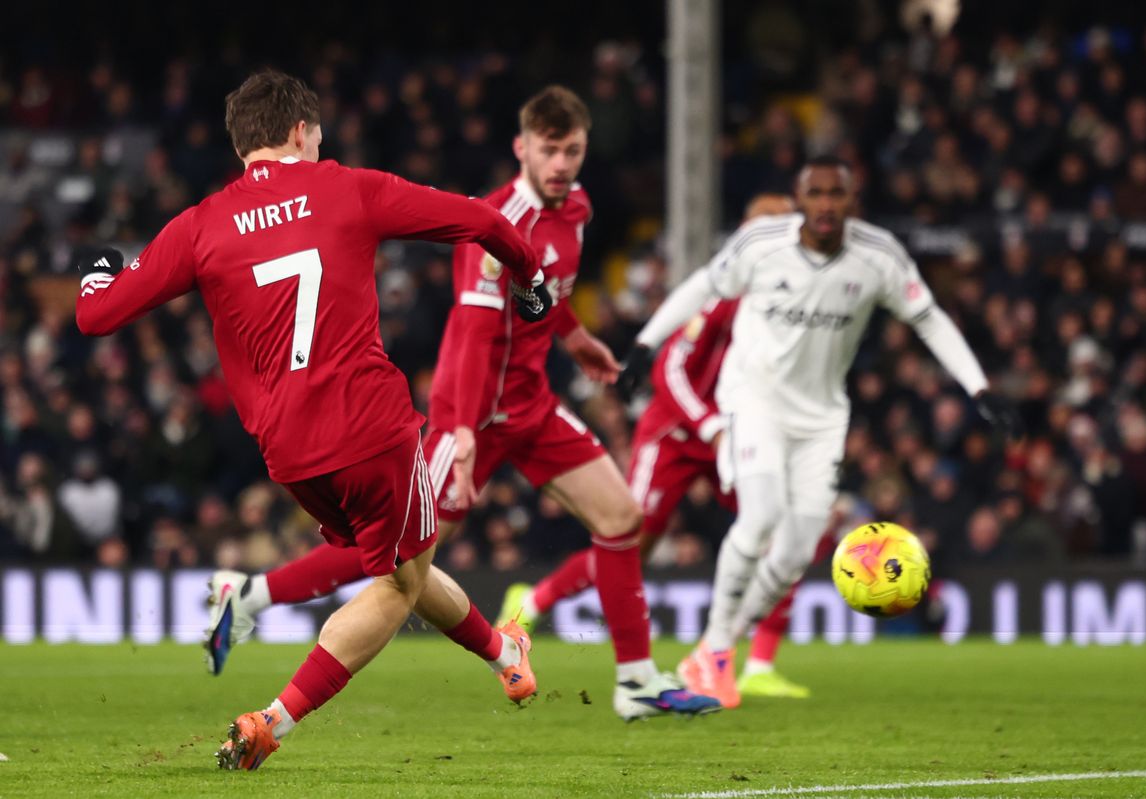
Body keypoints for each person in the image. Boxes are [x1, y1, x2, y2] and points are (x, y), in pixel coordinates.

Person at [76, 70, 553, 771]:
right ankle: (273, 718)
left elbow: (97, 314)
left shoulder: (201, 223)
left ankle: (505, 652)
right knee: (398, 583)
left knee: (408, 562)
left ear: (244, 145)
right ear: (301, 131)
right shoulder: (344, 186)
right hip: (371, 425)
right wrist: (530, 278)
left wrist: (97, 265)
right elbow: (483, 220)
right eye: (319, 132)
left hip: (289, 451)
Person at [201, 85, 720, 722]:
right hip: (470, 413)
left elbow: (541, 296)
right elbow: (475, 331)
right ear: (521, 148)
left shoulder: (577, 209)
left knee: (620, 519)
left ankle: (637, 680)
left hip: (532, 406)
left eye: (573, 151)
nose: (561, 165)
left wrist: (576, 337)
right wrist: (465, 430)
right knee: (402, 560)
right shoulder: (499, 221)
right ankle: (252, 594)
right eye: (549, 150)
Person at [618, 156, 1023, 708]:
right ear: (800, 198)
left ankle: (711, 653)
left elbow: (927, 317)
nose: (827, 205)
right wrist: (646, 342)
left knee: (795, 550)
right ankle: (715, 653)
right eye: (818, 194)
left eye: (838, 195)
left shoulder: (878, 256)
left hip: (823, 416)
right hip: (753, 399)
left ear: (852, 201)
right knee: (760, 515)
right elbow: (700, 285)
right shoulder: (762, 243)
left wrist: (980, 389)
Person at [499, 193, 835, 700]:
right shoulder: (719, 297)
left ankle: (758, 665)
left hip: (733, 434)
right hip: (675, 434)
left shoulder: (785, 302)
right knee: (630, 542)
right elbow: (670, 369)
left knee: (782, 531)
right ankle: (536, 597)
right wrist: (710, 426)